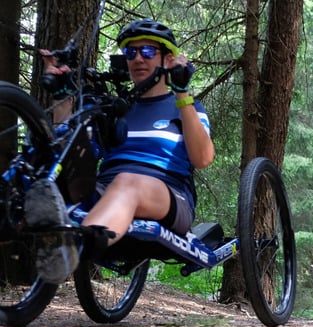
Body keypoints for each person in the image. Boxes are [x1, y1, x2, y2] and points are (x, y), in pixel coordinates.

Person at [28, 18, 215, 284]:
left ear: (167, 59)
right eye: (130, 52)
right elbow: (70, 153)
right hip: (107, 189)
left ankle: (74, 248)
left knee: (127, 182)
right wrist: (62, 98)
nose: (138, 58)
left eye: (148, 51)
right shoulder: (115, 108)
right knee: (49, 175)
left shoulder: (186, 107)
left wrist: (182, 94)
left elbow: (203, 158)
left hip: (169, 195)